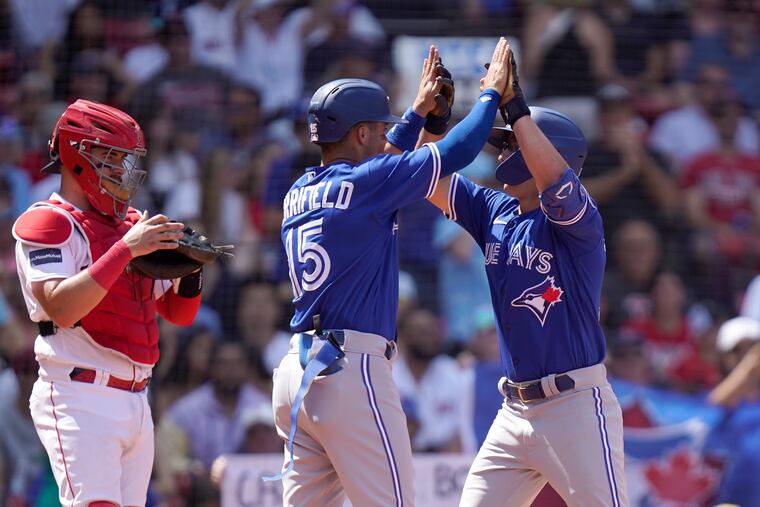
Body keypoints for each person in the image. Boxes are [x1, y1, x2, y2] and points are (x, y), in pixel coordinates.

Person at [271, 40, 513, 507]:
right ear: (361, 133)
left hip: (298, 370)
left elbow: (380, 163)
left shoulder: (301, 188)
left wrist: (416, 113)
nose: (388, 134)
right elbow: (456, 151)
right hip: (350, 370)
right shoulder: (365, 184)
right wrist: (489, 96)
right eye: (379, 128)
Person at [427, 53, 630, 506]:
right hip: (514, 410)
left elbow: (556, 177)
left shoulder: (578, 223)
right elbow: (428, 178)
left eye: (510, 144)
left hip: (575, 405)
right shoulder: (496, 212)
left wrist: (517, 109)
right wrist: (433, 123)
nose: (501, 152)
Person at [11, 99, 203, 507]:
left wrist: (192, 270)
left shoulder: (132, 225)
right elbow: (61, 308)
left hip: (137, 399)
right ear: (76, 155)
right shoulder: (48, 221)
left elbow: (178, 315)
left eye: (125, 158)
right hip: (79, 394)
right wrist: (125, 250)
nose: (122, 169)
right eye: (110, 157)